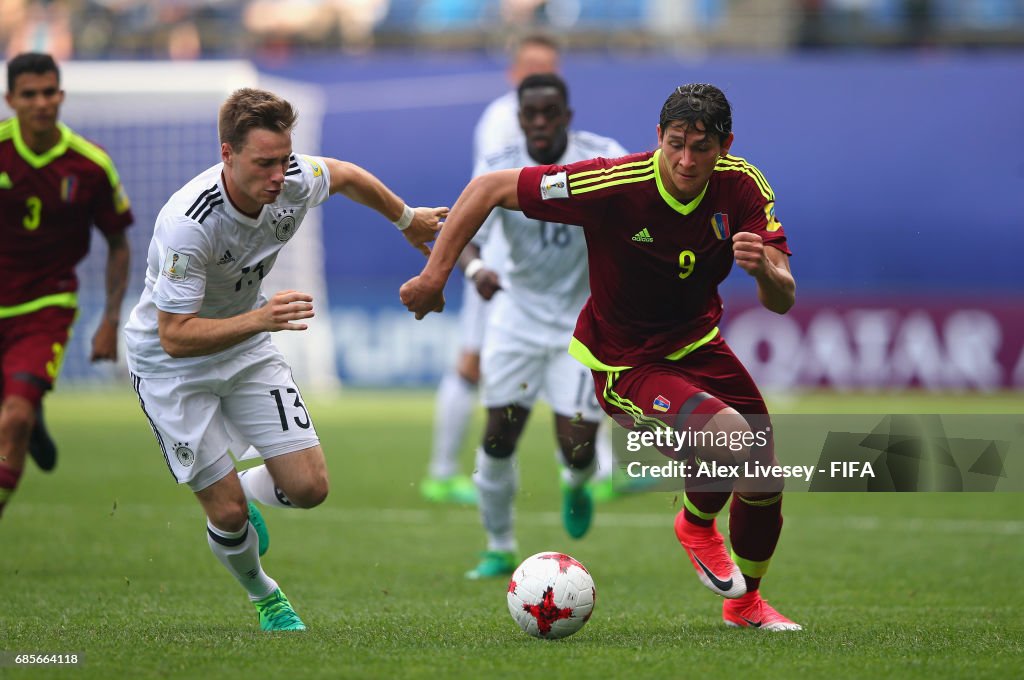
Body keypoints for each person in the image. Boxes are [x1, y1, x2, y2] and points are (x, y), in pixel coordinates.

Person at [400, 83, 801, 630]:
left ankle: (745, 603)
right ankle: (696, 523)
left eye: (701, 148)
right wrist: (434, 276)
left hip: (700, 345)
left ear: (725, 145)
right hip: (627, 362)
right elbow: (488, 187)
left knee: (763, 478)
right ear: (658, 137)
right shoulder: (614, 181)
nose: (686, 160)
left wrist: (766, 271)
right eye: (676, 143)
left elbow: (782, 299)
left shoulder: (743, 185)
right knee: (730, 439)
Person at [123, 87, 446, 631]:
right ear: (227, 154)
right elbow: (175, 335)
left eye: (283, 160)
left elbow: (342, 174)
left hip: (246, 344)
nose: (279, 176)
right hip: (170, 366)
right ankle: (265, 594)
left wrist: (406, 217)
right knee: (224, 514)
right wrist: (260, 319)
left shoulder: (293, 177)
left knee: (309, 488)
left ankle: (246, 490)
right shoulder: (189, 223)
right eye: (264, 163)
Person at [460, 74, 627, 579]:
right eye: (529, 114)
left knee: (576, 448)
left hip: (582, 323)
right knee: (498, 438)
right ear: (518, 119)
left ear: (566, 117)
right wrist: (474, 269)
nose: (538, 123)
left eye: (548, 113)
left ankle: (577, 483)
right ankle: (499, 545)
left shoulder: (604, 159)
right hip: (516, 318)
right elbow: (461, 232)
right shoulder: (498, 166)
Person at [420, 32, 561, 505]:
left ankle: (593, 467)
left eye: (549, 66)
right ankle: (441, 472)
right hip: (498, 264)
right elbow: (489, 190)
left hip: (531, 264)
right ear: (513, 71)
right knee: (470, 361)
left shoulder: (546, 113)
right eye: (532, 66)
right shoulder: (503, 119)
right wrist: (476, 263)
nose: (541, 74)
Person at [0, 52, 133, 519]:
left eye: (49, 92)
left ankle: (26, 411)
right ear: (10, 99)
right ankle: (30, 409)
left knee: (12, 418)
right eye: (29, 94)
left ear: (61, 95)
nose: (41, 103)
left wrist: (110, 319)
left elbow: (118, 244)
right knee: (14, 413)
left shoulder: (90, 166)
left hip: (46, 305)